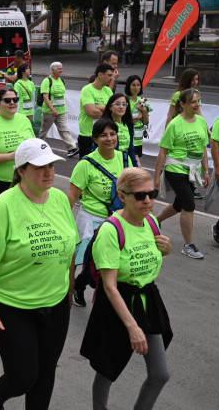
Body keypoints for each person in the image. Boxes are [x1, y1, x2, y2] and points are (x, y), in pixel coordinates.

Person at [0, 138, 74, 410]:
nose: (48, 172)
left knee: (46, 373)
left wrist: (67, 292)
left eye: (52, 165)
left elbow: (68, 249)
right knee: (23, 377)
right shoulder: (4, 205)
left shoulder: (59, 200)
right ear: (21, 170)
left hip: (54, 304)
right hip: (12, 306)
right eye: (40, 167)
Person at [81, 167, 173, 410]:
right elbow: (109, 287)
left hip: (147, 301)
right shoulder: (111, 230)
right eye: (139, 196)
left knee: (160, 373)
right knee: (107, 370)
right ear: (122, 196)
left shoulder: (152, 222)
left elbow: (149, 263)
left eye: (152, 194)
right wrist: (132, 327)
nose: (148, 201)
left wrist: (166, 251)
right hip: (116, 304)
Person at [69, 118, 127, 307]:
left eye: (113, 134)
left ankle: (102, 297)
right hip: (91, 220)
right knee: (87, 263)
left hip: (116, 220)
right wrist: (62, 224)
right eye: (103, 135)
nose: (109, 138)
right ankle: (76, 286)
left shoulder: (124, 158)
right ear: (94, 140)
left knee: (111, 264)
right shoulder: (85, 165)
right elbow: (71, 197)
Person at [154, 88, 210, 260]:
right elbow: (163, 152)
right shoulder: (175, 124)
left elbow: (203, 149)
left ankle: (154, 222)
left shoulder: (200, 121)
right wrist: (156, 177)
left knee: (179, 205)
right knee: (189, 205)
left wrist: (207, 171)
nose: (197, 104)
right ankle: (188, 245)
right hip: (176, 169)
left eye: (198, 101)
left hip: (193, 170)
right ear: (182, 104)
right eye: (193, 101)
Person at [39, 62, 78, 157]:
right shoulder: (47, 81)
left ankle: (71, 148)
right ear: (53, 70)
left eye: (61, 68)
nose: (61, 70)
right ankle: (39, 146)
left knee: (64, 129)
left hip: (62, 111)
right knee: (44, 131)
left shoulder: (62, 80)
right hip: (49, 111)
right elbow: (45, 97)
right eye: (59, 69)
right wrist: (52, 110)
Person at [78, 64, 114, 158]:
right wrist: (106, 110)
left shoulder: (108, 91)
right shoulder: (87, 90)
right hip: (88, 134)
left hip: (104, 135)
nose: (112, 78)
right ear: (100, 75)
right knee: (86, 166)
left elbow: (113, 112)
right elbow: (91, 112)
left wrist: (97, 106)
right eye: (109, 75)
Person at [101, 93, 138, 167]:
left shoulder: (128, 125)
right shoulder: (104, 125)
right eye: (117, 104)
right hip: (110, 165)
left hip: (126, 164)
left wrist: (135, 167)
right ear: (110, 107)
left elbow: (130, 149)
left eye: (124, 104)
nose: (121, 107)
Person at [125, 75, 151, 160]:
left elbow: (146, 122)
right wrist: (138, 117)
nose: (136, 88)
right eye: (133, 85)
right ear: (128, 86)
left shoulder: (143, 100)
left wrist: (144, 110)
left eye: (138, 85)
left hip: (139, 138)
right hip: (128, 137)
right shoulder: (124, 100)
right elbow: (124, 121)